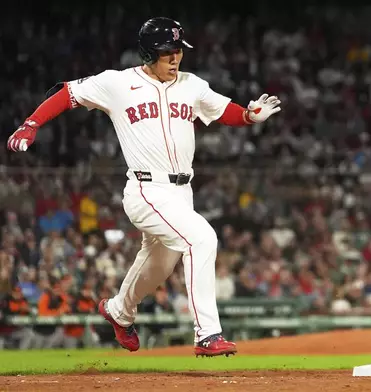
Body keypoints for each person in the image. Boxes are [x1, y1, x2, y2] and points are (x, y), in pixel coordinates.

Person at [6, 17, 281, 357]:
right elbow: (67, 93)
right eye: (168, 52)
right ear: (149, 52)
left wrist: (249, 116)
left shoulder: (191, 84)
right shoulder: (117, 84)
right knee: (202, 238)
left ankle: (119, 311)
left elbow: (222, 109)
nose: (176, 58)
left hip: (182, 192)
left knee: (160, 265)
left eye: (179, 51)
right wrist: (31, 124)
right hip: (146, 190)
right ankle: (207, 334)